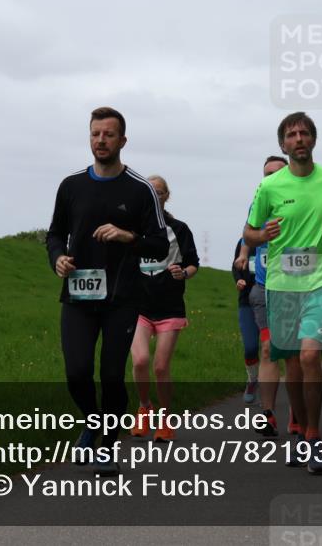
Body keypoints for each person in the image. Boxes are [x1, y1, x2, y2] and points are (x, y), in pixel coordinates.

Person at [46, 107, 169, 473]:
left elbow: (159, 244)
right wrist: (57, 258)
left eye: (109, 134)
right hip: (79, 295)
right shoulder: (71, 186)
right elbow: (54, 233)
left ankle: (109, 445)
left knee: (112, 375)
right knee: (77, 373)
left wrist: (128, 236)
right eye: (95, 134)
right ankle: (94, 421)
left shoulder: (140, 189)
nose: (101, 140)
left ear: (122, 141)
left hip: (122, 297)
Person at [244, 113, 322, 474]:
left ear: (313, 140)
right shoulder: (270, 187)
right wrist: (264, 236)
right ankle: (299, 430)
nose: (299, 138)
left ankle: (313, 438)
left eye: (304, 133)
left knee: (309, 357)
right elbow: (250, 233)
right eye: (291, 135)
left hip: (320, 282)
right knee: (292, 363)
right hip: (281, 285)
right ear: (283, 145)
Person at [130, 176, 199, 442]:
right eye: (149, 192)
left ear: (166, 196)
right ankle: (145, 407)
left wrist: (183, 273)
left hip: (169, 305)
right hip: (138, 306)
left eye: (158, 192)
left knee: (160, 367)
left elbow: (193, 263)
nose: (154, 196)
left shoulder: (179, 229)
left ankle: (166, 418)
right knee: (140, 361)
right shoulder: (133, 227)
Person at [235, 155, 289, 436]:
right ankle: (267, 414)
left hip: (297, 290)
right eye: (266, 173)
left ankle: (299, 415)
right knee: (268, 349)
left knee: (296, 356)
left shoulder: (303, 200)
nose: (270, 177)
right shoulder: (258, 203)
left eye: (277, 172)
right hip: (265, 288)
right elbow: (248, 234)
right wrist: (244, 254)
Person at [232, 238, 258, 404]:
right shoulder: (244, 242)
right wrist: (239, 279)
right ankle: (252, 379)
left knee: (270, 349)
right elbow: (235, 267)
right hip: (247, 300)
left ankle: (269, 397)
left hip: (275, 299)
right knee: (250, 348)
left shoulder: (279, 238)